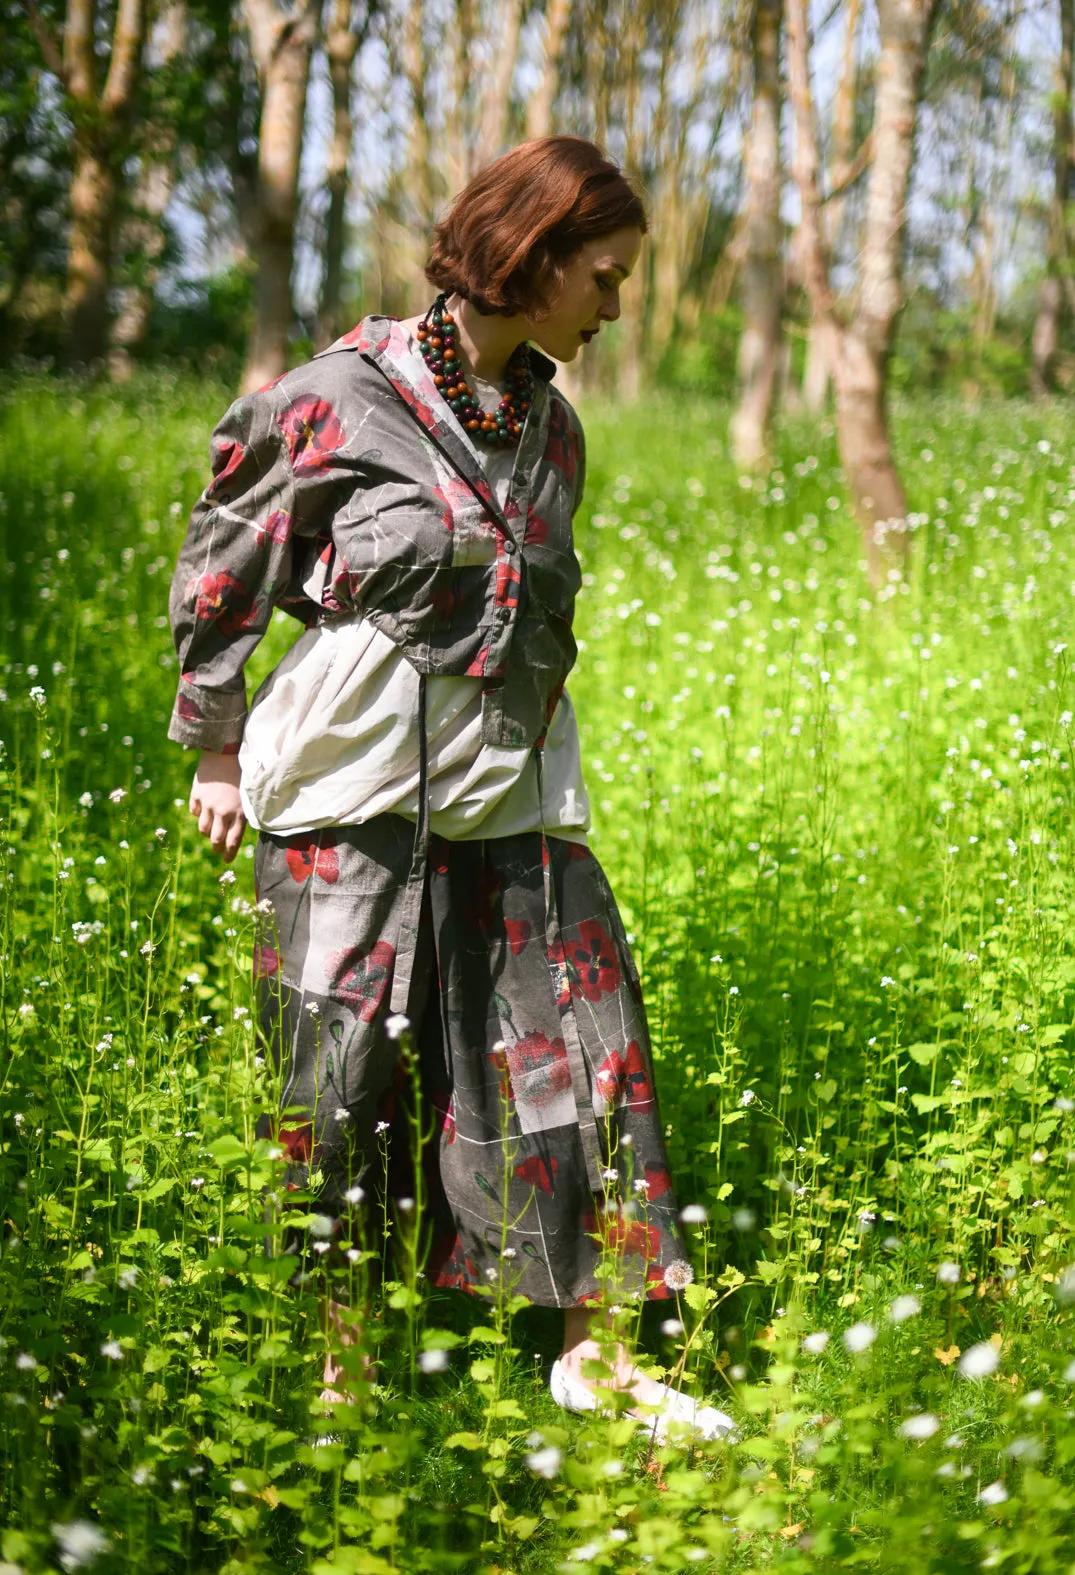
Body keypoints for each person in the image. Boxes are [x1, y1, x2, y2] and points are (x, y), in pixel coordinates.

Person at [167, 135, 733, 1443]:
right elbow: (224, 556)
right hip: (350, 794)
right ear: (529, 258)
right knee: (338, 1077)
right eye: (602, 275)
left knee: (585, 1051)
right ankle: (338, 1363)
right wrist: (213, 738)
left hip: (515, 796)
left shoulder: (555, 426)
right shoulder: (334, 395)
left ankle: (594, 1354)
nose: (615, 304)